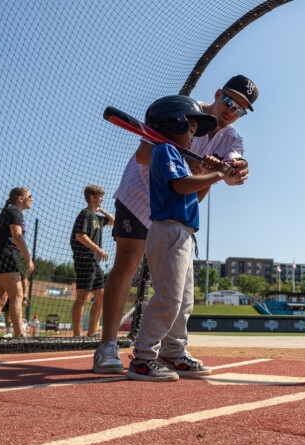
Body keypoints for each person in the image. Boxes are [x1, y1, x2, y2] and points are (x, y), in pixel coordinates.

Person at [93, 75, 258, 374]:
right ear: (218, 94)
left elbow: (232, 165)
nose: (231, 111)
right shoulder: (183, 110)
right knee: (128, 261)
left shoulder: (231, 138)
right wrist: (192, 164)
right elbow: (144, 153)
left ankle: (172, 350)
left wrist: (234, 169)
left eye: (240, 109)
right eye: (229, 101)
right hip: (140, 194)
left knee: (179, 287)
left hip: (175, 209)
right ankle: (107, 346)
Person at [126, 95, 231, 381]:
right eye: (191, 129)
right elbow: (182, 186)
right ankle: (143, 358)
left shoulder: (178, 157)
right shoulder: (165, 151)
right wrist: (217, 174)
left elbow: (193, 195)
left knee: (184, 301)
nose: (193, 137)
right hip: (168, 231)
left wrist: (209, 175)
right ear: (173, 123)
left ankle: (173, 351)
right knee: (168, 298)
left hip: (183, 233)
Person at [0, 187, 35, 338]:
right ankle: (20, 336)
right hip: (7, 256)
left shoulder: (8, 212)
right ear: (20, 198)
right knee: (17, 296)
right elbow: (17, 235)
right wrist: (28, 259)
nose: (31, 199)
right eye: (29, 196)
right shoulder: (14, 212)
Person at [69, 184, 115, 337]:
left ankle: (91, 333)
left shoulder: (97, 217)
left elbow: (113, 221)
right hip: (84, 260)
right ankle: (76, 335)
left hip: (94, 262)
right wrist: (98, 249)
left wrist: (101, 209)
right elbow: (80, 235)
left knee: (101, 296)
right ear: (91, 197)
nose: (102, 199)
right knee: (82, 296)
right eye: (100, 197)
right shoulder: (85, 214)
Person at [0, 272, 28, 337]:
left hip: (14, 294)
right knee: (7, 315)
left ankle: (21, 330)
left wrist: (25, 296)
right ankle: (10, 332)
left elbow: (25, 280)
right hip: (5, 294)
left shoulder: (15, 271)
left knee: (14, 314)